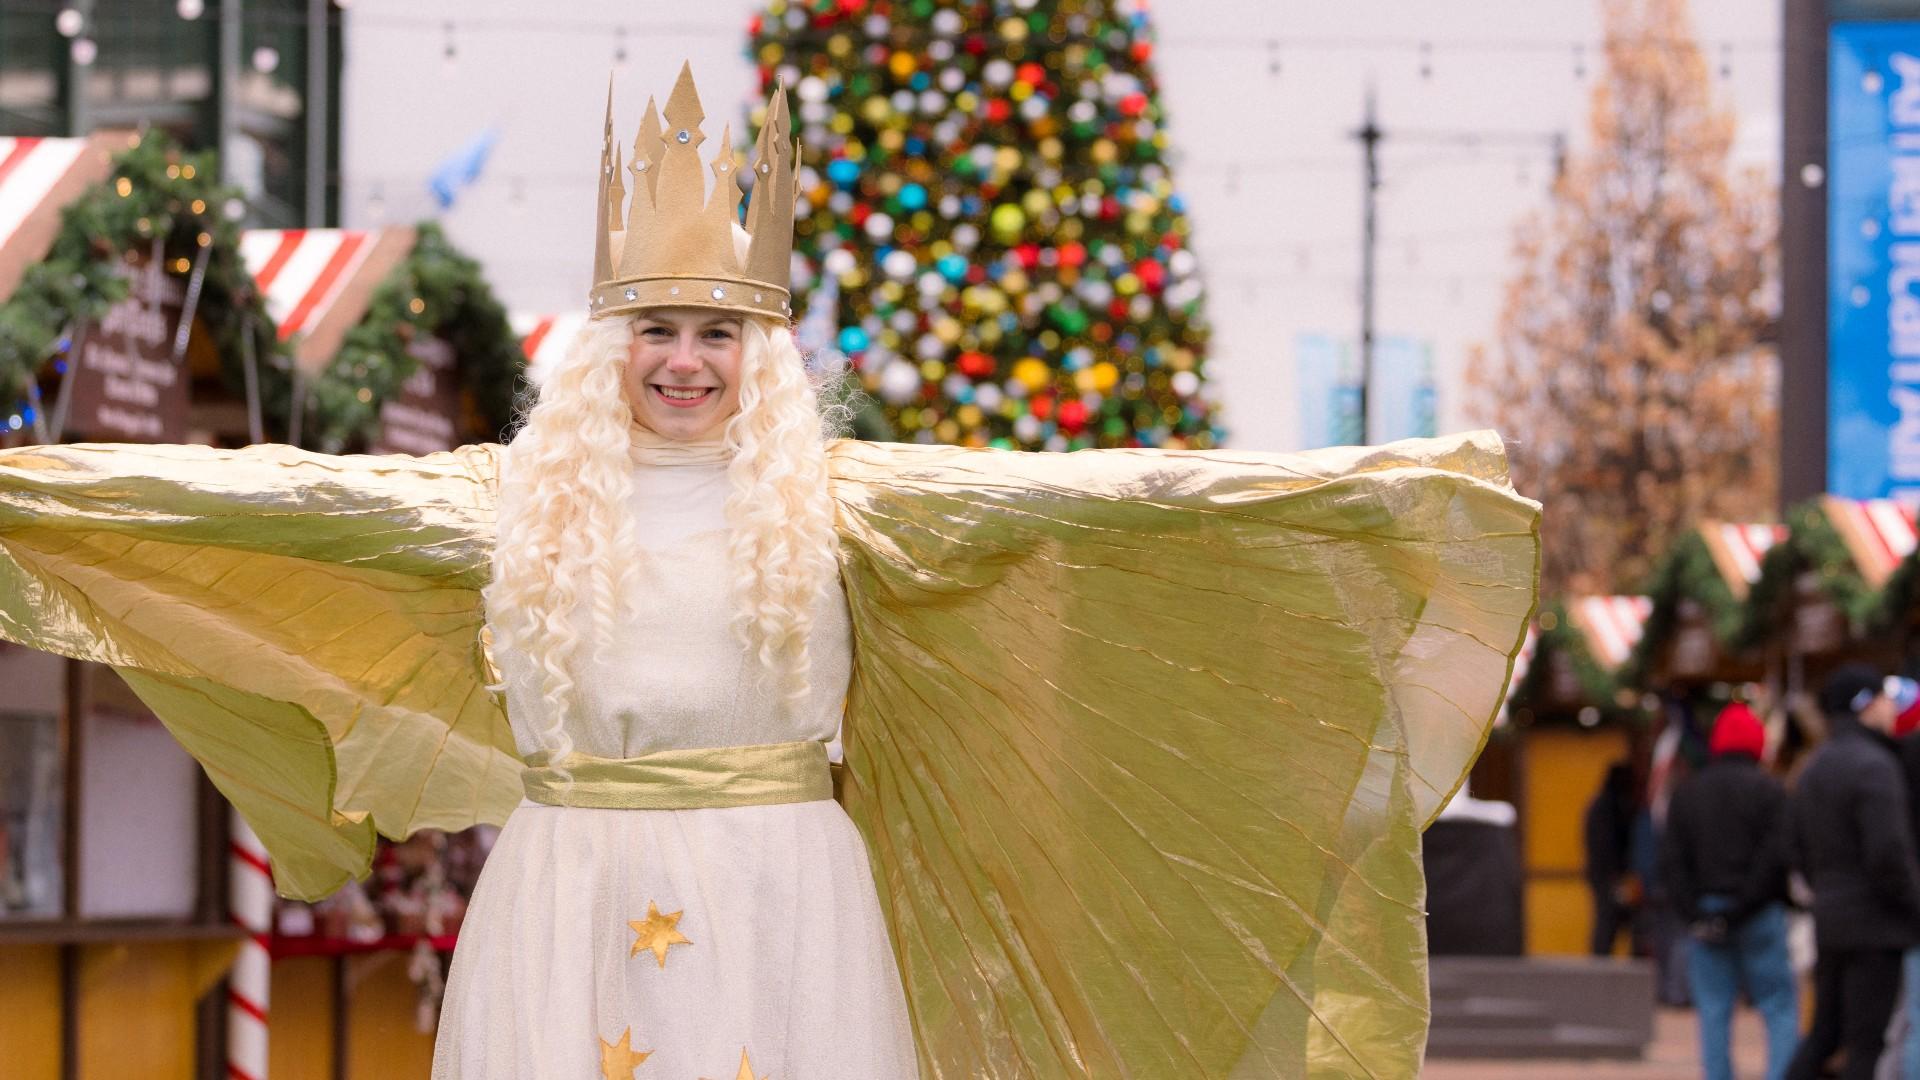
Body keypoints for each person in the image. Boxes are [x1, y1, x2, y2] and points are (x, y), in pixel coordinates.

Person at [0, 65, 1541, 1078]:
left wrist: (1379, 492)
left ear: (763, 353)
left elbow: (1103, 505)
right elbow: (262, 504)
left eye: (717, 333)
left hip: (782, 905)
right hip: (570, 895)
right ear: (614, 346)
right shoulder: (505, 508)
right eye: (658, 330)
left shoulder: (846, 508)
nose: (685, 361)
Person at [1786, 664, 1920, 1080]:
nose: (1889, 708)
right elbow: (1888, 855)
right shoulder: (1875, 766)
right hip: (1876, 925)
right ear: (1865, 704)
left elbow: (1797, 848)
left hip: (1831, 917)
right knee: (1865, 1042)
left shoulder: (1815, 766)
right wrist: (1914, 906)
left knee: (1825, 1033)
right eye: (1883, 698)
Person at [1658, 702, 1797, 1080]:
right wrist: (1742, 907)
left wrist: (1696, 914)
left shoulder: (1688, 793)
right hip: (1760, 914)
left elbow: (1672, 861)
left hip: (1704, 912)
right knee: (1778, 1005)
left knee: (1714, 1009)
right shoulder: (1771, 791)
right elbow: (1776, 857)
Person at [1585, 761, 1638, 956]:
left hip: (1602, 873)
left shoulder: (1600, 805)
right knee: (1608, 917)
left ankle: (1601, 958)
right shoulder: (1609, 807)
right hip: (1609, 875)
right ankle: (1602, 958)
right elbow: (1605, 844)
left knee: (1608, 918)